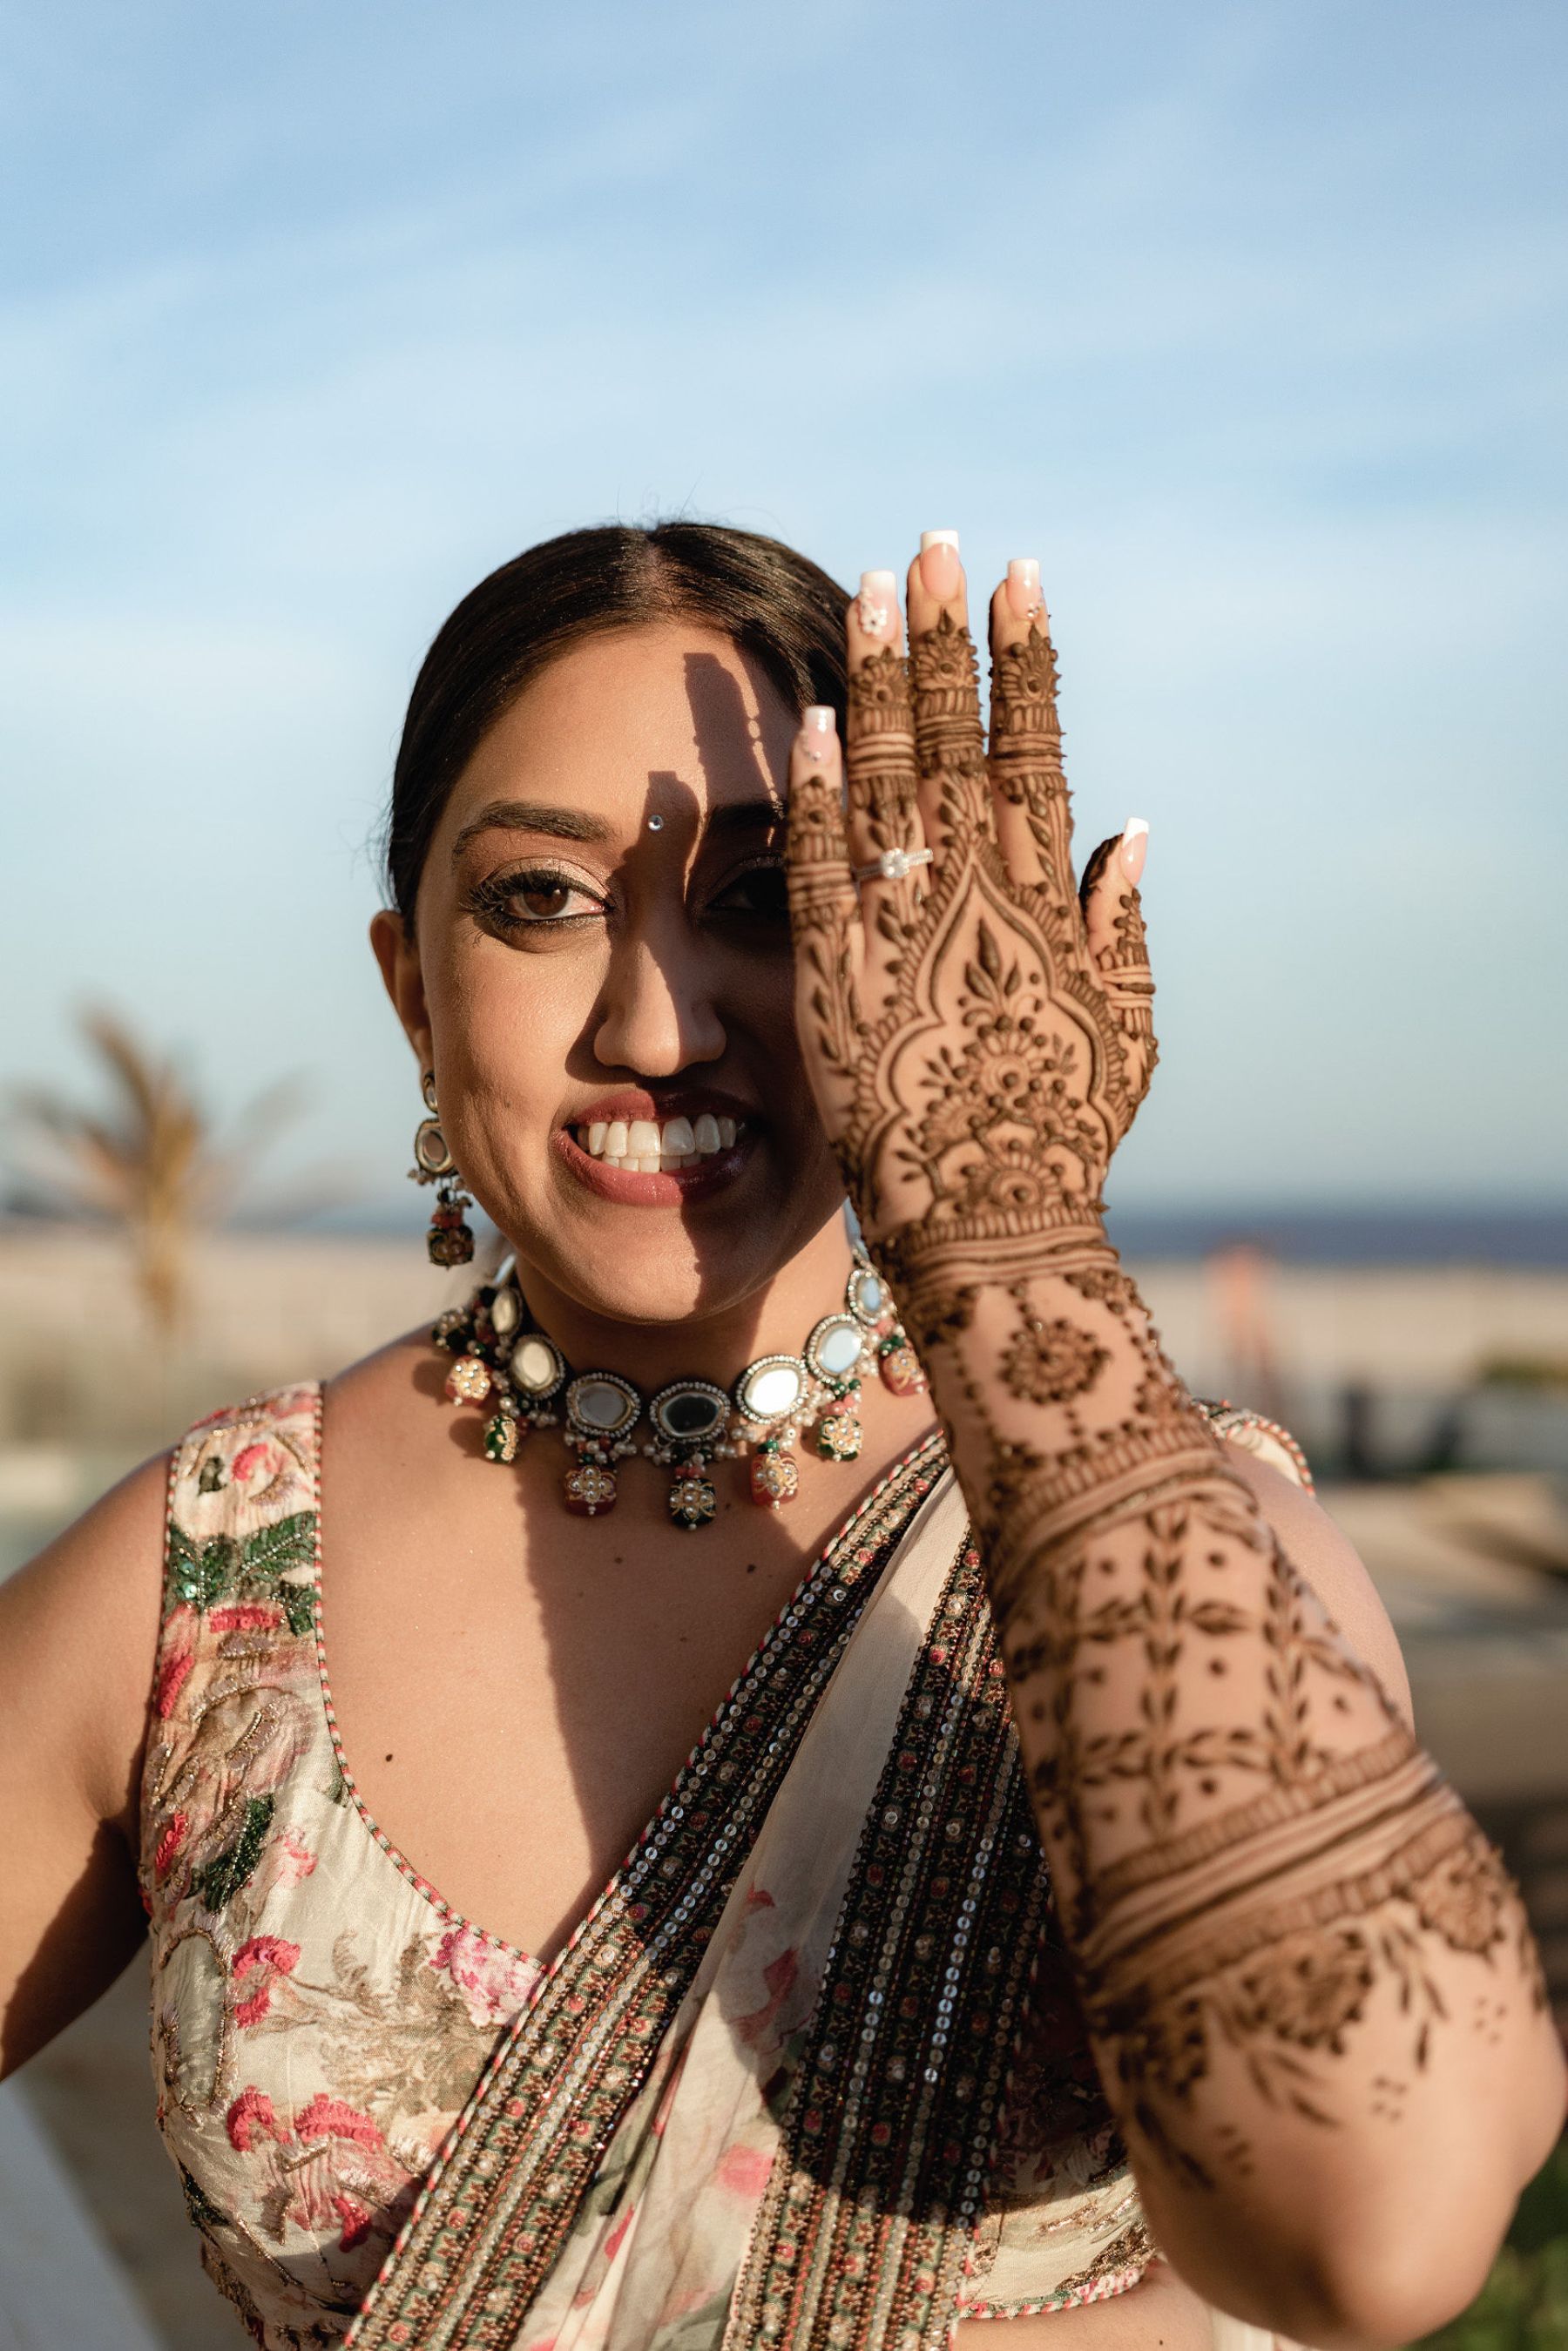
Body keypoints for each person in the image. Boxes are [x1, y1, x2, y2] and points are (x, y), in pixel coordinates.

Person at [2, 523, 1559, 2351]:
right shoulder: (211, 1585)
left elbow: (1378, 2231)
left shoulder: (1150, 1541)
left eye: (766, 897)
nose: (657, 1023)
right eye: (537, 900)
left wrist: (1008, 1232)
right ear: (412, 991)